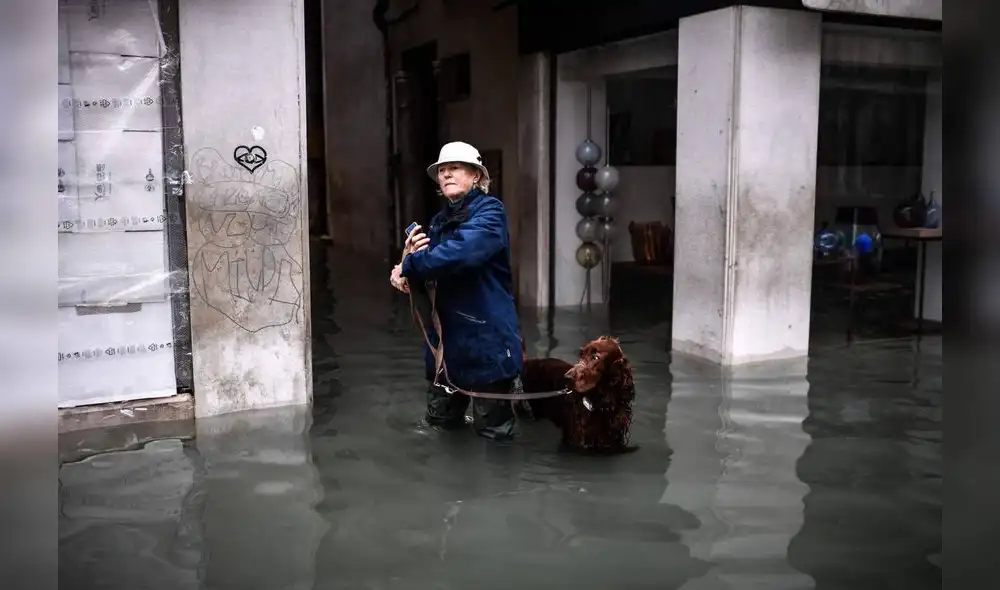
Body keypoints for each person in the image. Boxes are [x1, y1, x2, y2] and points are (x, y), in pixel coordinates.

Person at [389, 141, 524, 441]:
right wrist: (404, 274)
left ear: (476, 175)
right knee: (439, 428)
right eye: (442, 171)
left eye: (455, 169)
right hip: (447, 349)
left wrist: (412, 266)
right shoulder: (438, 222)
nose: (446, 175)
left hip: (488, 345)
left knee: (494, 437)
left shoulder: (491, 212)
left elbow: (461, 254)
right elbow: (431, 272)